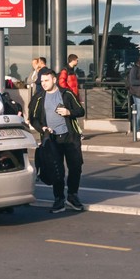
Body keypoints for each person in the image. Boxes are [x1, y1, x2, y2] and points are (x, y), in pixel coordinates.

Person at [27, 67, 85, 213]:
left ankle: (72, 196)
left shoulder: (66, 94)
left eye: (46, 80)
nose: (44, 83)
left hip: (70, 137)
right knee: (57, 169)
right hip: (52, 139)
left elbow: (80, 111)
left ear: (54, 80)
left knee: (75, 167)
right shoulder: (39, 97)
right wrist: (43, 129)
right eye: (42, 81)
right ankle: (58, 199)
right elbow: (33, 119)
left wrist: (68, 112)